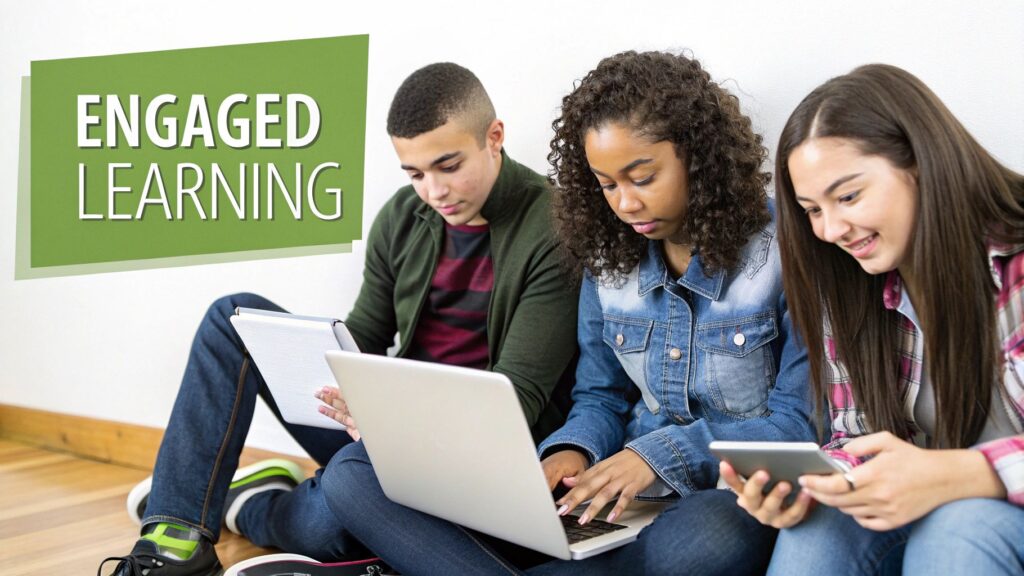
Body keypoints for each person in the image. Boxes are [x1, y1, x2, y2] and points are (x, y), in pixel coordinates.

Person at [317, 50, 815, 576]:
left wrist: (656, 457)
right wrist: (570, 452)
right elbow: (598, 396)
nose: (624, 204)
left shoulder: (785, 251)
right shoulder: (608, 255)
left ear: (699, 156)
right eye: (606, 184)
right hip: (616, 501)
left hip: (722, 494)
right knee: (352, 472)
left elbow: (796, 425)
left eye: (641, 177)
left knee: (703, 543)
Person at [98, 62, 579, 576]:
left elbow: (516, 397)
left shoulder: (553, 226)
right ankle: (176, 538)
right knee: (230, 318)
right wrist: (356, 392)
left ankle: (249, 504)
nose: (434, 191)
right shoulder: (403, 216)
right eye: (415, 174)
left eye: (449, 165)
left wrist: (388, 418)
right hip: (387, 432)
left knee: (332, 521)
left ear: (494, 137)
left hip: (477, 456)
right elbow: (364, 337)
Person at [722, 63, 1024, 575]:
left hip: (983, 524)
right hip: (938, 517)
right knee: (820, 525)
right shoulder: (850, 284)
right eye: (811, 209)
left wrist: (963, 474)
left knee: (960, 528)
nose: (832, 228)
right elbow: (856, 433)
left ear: (922, 164)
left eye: (848, 196)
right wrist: (820, 483)